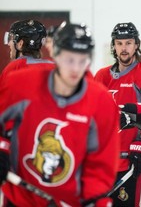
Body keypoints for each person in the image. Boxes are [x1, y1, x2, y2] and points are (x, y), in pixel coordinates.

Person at [0, 21, 120, 207]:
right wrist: (2, 150)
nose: (75, 68)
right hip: (20, 200)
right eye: (68, 59)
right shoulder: (19, 84)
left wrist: (91, 199)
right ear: (55, 54)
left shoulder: (101, 101)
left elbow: (101, 164)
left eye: (82, 60)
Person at [94, 22, 141, 207]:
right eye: (119, 43)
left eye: (128, 43)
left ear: (136, 45)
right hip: (104, 161)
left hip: (132, 161)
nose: (123, 48)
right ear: (113, 46)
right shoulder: (101, 77)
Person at [0, 19, 54, 84]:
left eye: (11, 39)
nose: (8, 44)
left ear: (20, 44)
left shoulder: (13, 68)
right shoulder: (52, 66)